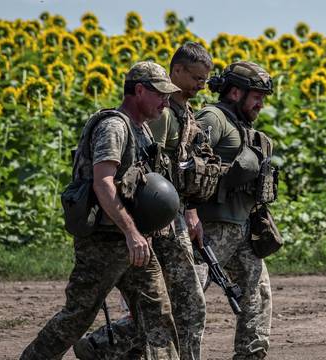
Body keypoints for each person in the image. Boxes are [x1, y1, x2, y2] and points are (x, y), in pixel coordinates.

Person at [19, 61, 181, 360]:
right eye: (161, 94)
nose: (166, 101)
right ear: (139, 90)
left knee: (158, 314)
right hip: (104, 242)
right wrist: (131, 232)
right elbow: (103, 183)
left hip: (135, 243)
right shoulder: (114, 126)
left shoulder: (141, 129)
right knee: (77, 318)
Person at [74, 42, 219, 360]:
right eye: (196, 77)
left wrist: (191, 211)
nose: (200, 85)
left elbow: (176, 168)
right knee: (178, 304)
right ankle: (101, 345)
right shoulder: (159, 115)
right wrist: (141, 228)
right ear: (176, 71)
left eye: (204, 80)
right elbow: (142, 175)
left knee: (166, 304)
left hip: (172, 216)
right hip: (157, 221)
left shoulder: (181, 110)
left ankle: (102, 347)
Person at [194, 61, 275, 360]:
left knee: (258, 296)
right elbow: (187, 167)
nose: (261, 104)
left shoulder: (243, 126)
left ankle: (251, 355)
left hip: (242, 227)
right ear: (235, 92)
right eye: (257, 96)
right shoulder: (212, 118)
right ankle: (107, 346)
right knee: (184, 301)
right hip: (208, 230)